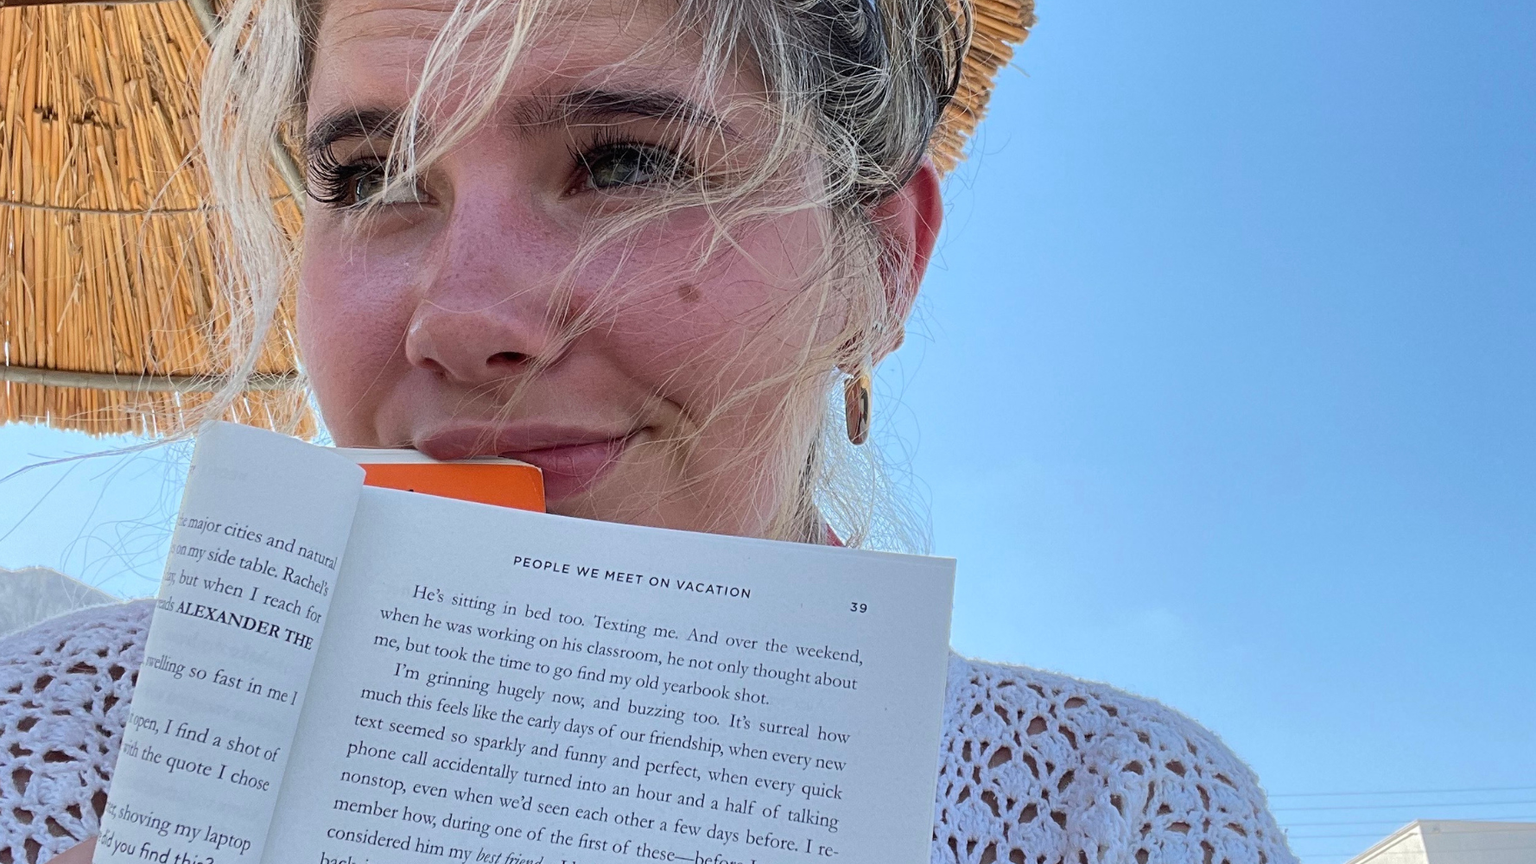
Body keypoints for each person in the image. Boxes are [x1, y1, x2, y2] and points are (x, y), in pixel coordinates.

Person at [2, 0, 1299, 861]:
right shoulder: (55, 755)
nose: (460, 319)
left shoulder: (1100, 811)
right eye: (371, 178)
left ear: (885, 264)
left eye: (625, 160)